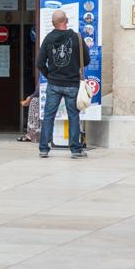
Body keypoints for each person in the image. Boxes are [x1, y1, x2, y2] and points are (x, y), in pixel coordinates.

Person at [37, 10, 90, 159]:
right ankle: (75, 150)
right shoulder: (76, 38)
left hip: (54, 83)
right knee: (74, 116)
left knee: (49, 115)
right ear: (66, 20)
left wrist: (49, 76)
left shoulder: (48, 38)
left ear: (53, 23)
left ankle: (44, 148)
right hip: (72, 83)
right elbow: (86, 61)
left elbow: (40, 63)